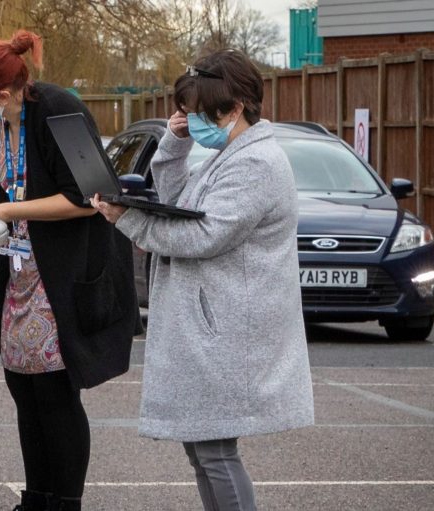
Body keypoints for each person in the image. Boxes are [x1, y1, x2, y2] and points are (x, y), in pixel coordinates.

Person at [92, 49, 315, 511]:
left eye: (197, 113)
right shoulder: (231, 153)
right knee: (203, 449)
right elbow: (180, 201)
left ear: (234, 109)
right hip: (213, 326)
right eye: (186, 112)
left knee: (214, 451)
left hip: (228, 333)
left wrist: (126, 221)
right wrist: (175, 145)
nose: (190, 120)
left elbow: (204, 234)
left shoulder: (256, 163)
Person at [0, 30, 139, 511]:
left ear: (2, 93)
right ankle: (36, 499)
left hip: (65, 277)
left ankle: (63, 501)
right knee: (23, 388)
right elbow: (10, 189)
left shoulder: (58, 110)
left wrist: (5, 214)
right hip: (21, 275)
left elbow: (88, 198)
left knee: (55, 392)